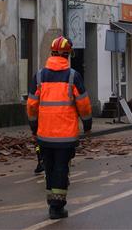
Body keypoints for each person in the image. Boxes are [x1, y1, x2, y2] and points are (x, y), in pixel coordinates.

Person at [26, 36, 92, 220]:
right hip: (66, 136)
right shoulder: (73, 76)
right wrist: (87, 125)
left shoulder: (39, 76)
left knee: (50, 169)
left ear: (52, 53)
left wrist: (34, 127)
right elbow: (84, 105)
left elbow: (31, 105)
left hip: (44, 134)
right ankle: (56, 207)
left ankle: (52, 204)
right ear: (68, 54)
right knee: (61, 170)